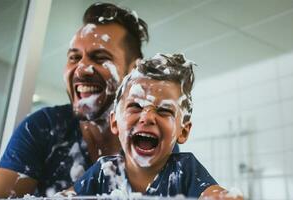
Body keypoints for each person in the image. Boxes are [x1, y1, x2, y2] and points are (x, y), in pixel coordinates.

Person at [0, 2, 149, 199]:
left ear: (134, 73)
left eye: (100, 57)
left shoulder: (151, 136)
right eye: (74, 57)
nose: (81, 68)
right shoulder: (43, 128)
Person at [71, 54, 243, 200]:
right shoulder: (104, 171)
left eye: (163, 110)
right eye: (136, 107)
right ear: (115, 122)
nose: (147, 117)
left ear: (182, 131)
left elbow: (213, 194)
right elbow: (65, 196)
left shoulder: (184, 170)